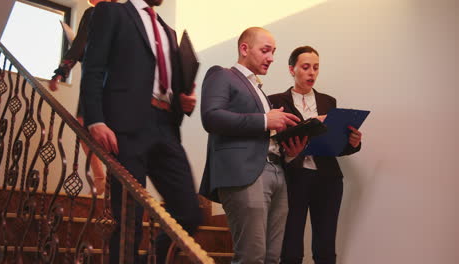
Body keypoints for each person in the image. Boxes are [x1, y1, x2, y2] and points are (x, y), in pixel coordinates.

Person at [80, 0, 201, 263]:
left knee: (189, 214)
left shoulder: (168, 31)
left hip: (166, 125)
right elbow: (93, 66)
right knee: (128, 218)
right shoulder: (111, 12)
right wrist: (95, 120)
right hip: (125, 125)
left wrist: (183, 100)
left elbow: (166, 81)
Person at [199, 27, 304, 264]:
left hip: (277, 171)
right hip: (245, 174)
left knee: (272, 258)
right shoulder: (222, 75)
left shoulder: (259, 90)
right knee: (251, 257)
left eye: (273, 52)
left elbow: (260, 133)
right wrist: (266, 120)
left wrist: (289, 151)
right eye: (265, 50)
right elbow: (211, 117)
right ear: (244, 49)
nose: (271, 58)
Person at [268, 46, 363, 264]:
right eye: (306, 67)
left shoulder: (329, 102)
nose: (312, 72)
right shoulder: (276, 101)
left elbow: (335, 146)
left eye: (316, 68)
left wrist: (353, 143)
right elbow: (273, 143)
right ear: (292, 70)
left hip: (328, 180)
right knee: (290, 247)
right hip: (293, 178)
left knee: (326, 247)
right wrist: (294, 147)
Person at [49, 0, 115, 195]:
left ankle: (103, 178)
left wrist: (61, 71)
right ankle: (105, 179)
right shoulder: (124, 15)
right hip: (115, 79)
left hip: (98, 78)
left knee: (85, 125)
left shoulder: (94, 13)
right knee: (94, 126)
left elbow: (79, 44)